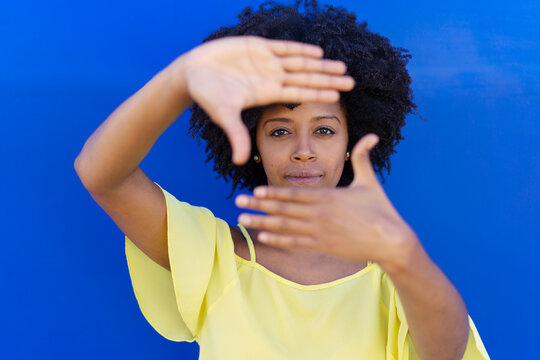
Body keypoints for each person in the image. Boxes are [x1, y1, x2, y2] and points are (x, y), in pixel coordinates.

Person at [74, 1, 490, 359]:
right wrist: (181, 80)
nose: (303, 149)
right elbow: (101, 175)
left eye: (324, 130)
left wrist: (403, 254)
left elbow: (445, 352)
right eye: (279, 130)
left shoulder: (397, 272)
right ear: (253, 144)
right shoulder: (213, 258)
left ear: (352, 141)